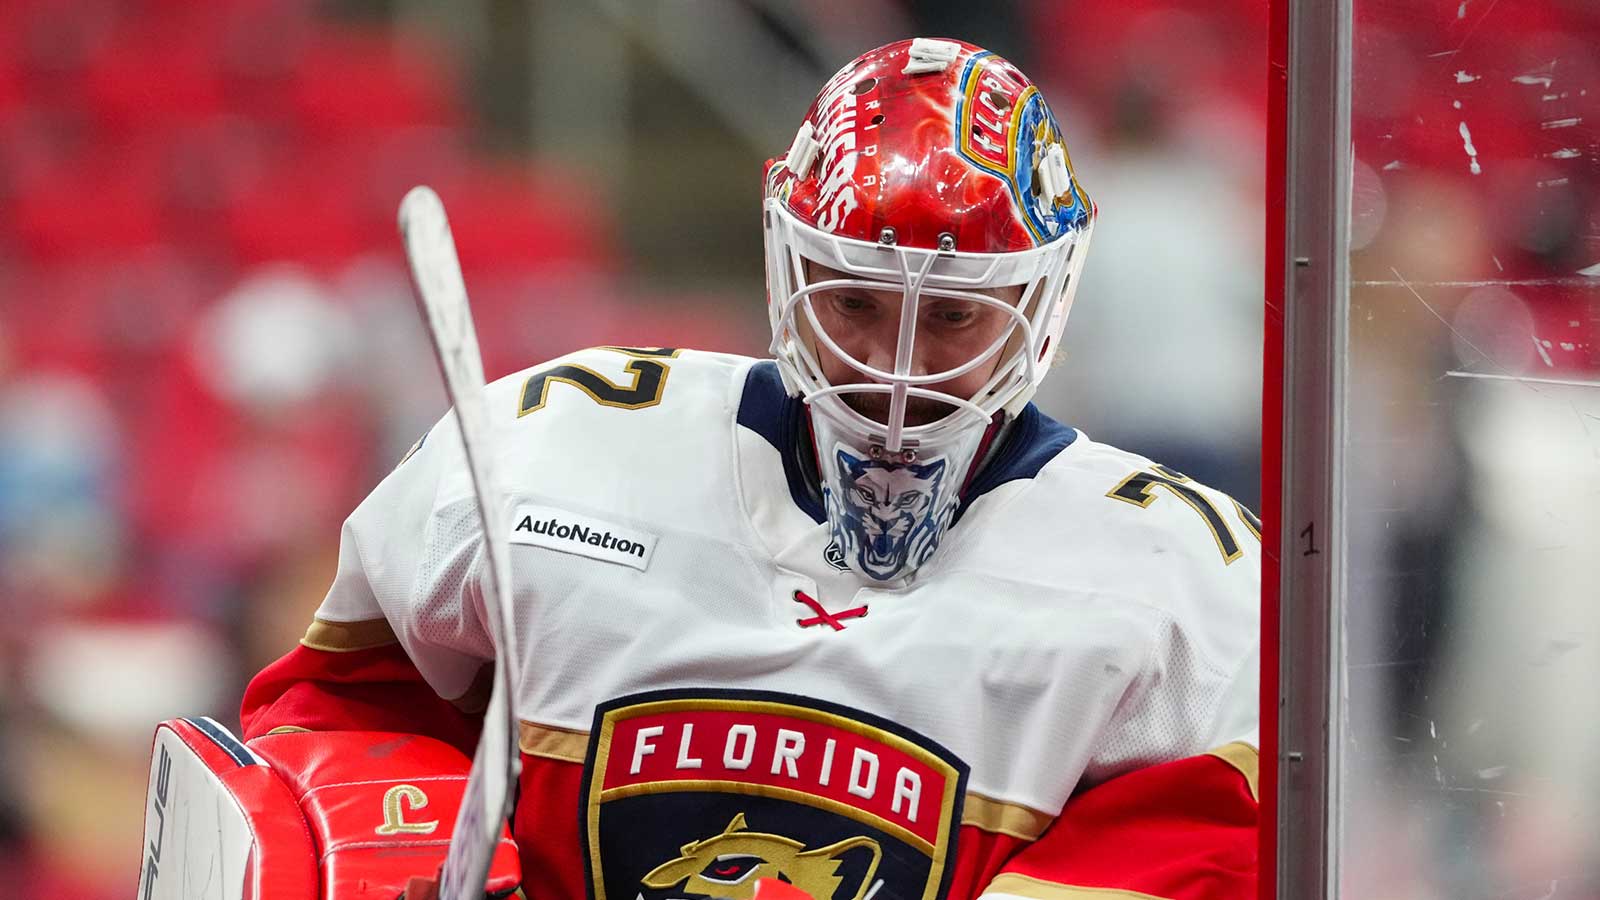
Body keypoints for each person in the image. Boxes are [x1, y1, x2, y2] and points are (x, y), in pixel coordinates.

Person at [148, 38, 1260, 900]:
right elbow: (333, 709)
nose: (894, 374)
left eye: (954, 321)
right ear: (786, 267)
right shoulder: (556, 446)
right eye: (857, 304)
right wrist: (416, 855)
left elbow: (1211, 853)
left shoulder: (1177, 579)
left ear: (1041, 302)